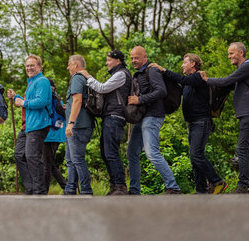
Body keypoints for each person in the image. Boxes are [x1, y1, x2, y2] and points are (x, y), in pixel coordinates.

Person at [200, 42, 249, 193]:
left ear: (240, 53)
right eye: (228, 54)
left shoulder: (248, 66)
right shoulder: (243, 70)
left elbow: (227, 81)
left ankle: (243, 185)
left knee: (242, 148)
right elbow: (228, 85)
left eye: (231, 53)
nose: (229, 57)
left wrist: (207, 80)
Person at [150, 55, 228, 194]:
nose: (182, 65)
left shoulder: (197, 77)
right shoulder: (188, 83)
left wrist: (163, 69)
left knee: (196, 155)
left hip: (201, 122)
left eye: (184, 62)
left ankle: (217, 181)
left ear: (193, 64)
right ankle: (201, 190)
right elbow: (176, 86)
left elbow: (182, 79)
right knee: (194, 158)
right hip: (193, 123)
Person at [126, 46, 180, 194]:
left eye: (136, 58)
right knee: (131, 152)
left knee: (152, 153)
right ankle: (134, 190)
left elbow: (161, 91)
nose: (133, 61)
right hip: (141, 118)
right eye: (131, 58)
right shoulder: (137, 74)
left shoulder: (152, 70)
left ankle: (173, 187)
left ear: (144, 56)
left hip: (153, 116)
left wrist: (140, 99)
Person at [78, 50, 131, 195]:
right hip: (110, 117)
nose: (107, 63)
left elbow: (102, 88)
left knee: (111, 153)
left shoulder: (121, 74)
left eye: (109, 60)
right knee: (105, 153)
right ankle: (114, 186)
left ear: (118, 61)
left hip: (115, 117)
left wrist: (87, 76)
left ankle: (120, 186)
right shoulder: (117, 74)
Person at [7, 55, 52, 195]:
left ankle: (39, 191)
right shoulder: (31, 82)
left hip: (38, 125)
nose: (29, 68)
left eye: (32, 65)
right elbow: (27, 101)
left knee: (32, 156)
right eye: (27, 66)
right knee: (19, 154)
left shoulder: (42, 81)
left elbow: (41, 101)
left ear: (39, 67)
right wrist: (16, 97)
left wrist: (23, 102)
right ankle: (31, 187)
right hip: (27, 126)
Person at [64, 55, 94, 195]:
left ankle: (86, 190)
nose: (67, 67)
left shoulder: (77, 78)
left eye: (69, 64)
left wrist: (70, 123)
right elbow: (74, 102)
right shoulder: (85, 79)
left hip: (79, 126)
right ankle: (70, 188)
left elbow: (77, 101)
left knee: (77, 159)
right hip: (80, 124)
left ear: (75, 65)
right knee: (70, 159)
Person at [43, 79, 67, 193]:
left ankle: (44, 192)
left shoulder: (47, 98)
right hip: (57, 135)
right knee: (50, 163)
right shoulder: (58, 99)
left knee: (46, 165)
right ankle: (66, 187)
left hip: (48, 135)